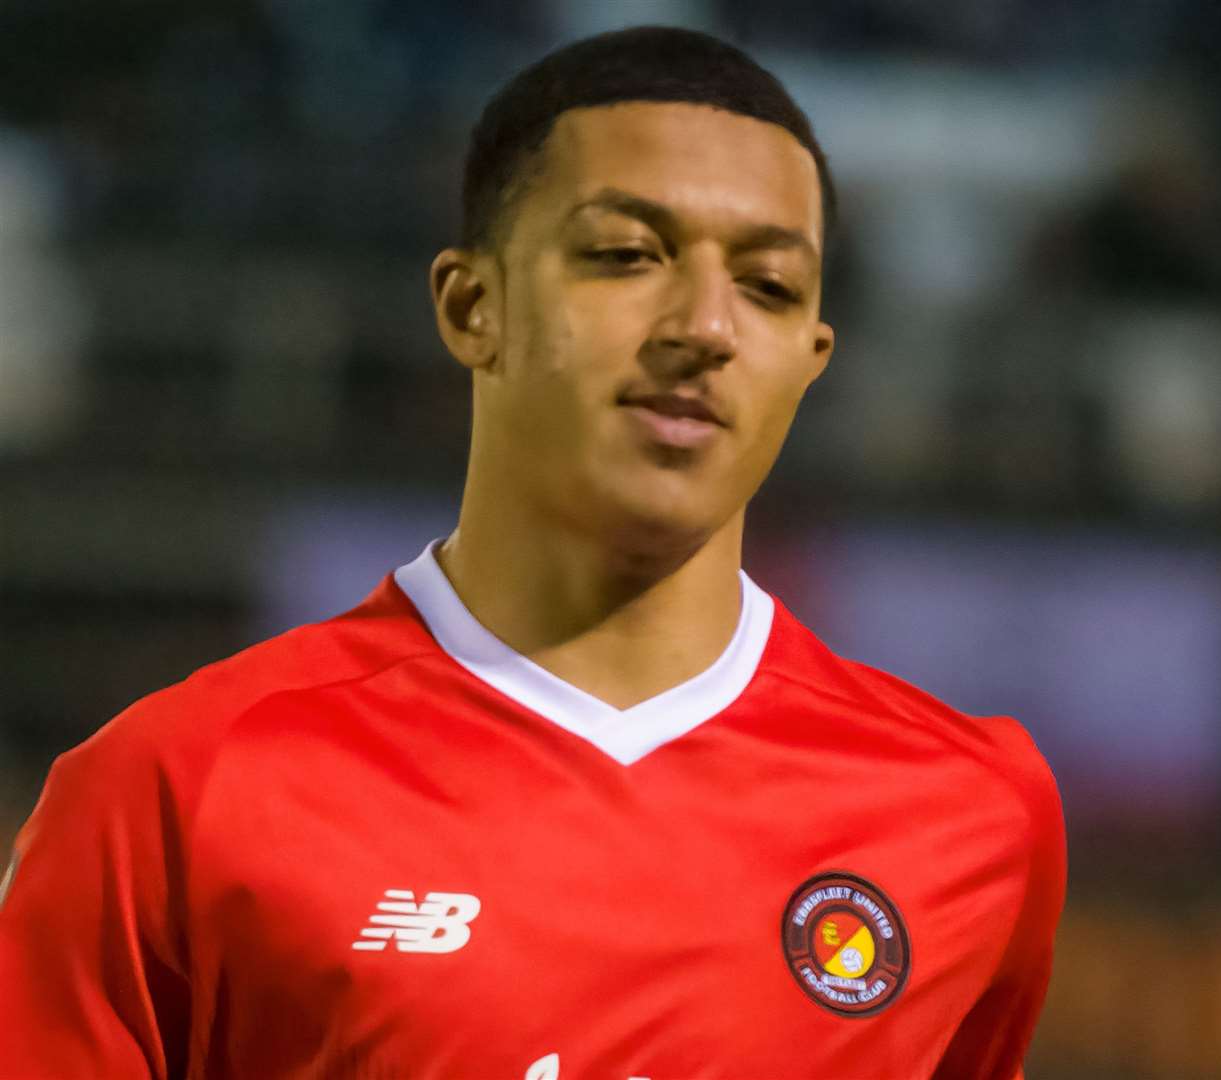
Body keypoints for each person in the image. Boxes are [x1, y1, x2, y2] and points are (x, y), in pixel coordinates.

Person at [0, 25, 1064, 1080]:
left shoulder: (970, 814)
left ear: (812, 356)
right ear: (474, 306)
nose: (704, 324)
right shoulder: (178, 791)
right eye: (624, 256)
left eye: (768, 286)